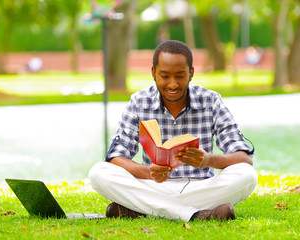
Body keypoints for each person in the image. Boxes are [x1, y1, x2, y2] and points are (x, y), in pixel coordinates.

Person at [89, 40, 257, 222]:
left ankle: (145, 210)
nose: (173, 84)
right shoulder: (139, 102)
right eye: (165, 76)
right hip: (154, 185)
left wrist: (208, 160)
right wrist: (148, 172)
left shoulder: (211, 100)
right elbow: (116, 157)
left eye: (180, 75)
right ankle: (195, 215)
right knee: (99, 172)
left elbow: (244, 158)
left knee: (246, 175)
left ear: (191, 73)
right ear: (153, 73)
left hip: (202, 187)